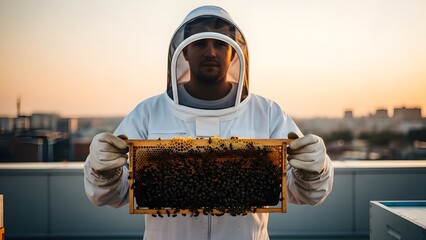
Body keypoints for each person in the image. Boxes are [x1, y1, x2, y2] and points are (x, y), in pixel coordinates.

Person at [84, 5, 334, 240]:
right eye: (200, 43)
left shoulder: (268, 112)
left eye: (220, 44)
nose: (211, 52)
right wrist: (104, 171)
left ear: (234, 52)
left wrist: (313, 170)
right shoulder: (148, 112)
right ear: (184, 51)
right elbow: (110, 195)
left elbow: (304, 193)